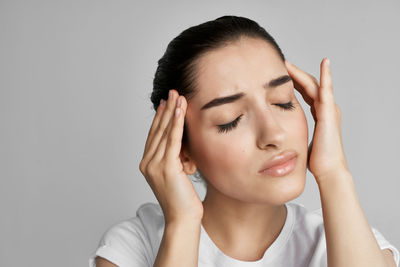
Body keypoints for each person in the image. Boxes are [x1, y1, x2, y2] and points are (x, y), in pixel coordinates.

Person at [89, 15, 399, 267]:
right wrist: (183, 224)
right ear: (181, 150)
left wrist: (333, 172)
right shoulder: (135, 247)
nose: (274, 134)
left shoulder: (351, 242)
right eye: (231, 119)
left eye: (282, 101)